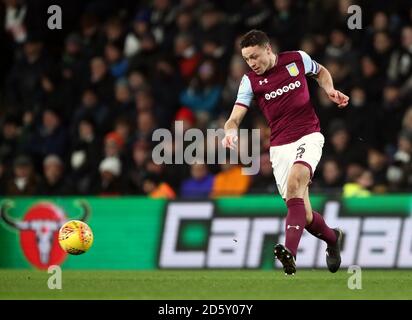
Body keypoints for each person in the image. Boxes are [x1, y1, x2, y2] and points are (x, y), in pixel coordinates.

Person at [221, 30, 349, 275]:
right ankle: (332, 239)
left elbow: (320, 72)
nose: (252, 63)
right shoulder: (249, 81)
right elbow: (234, 117)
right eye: (247, 59)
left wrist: (329, 90)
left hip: (309, 135)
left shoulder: (296, 59)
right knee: (306, 215)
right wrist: (230, 131)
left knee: (294, 184)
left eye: (255, 56)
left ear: (268, 49)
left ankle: (290, 252)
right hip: (279, 148)